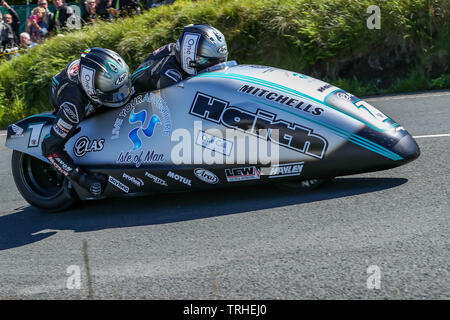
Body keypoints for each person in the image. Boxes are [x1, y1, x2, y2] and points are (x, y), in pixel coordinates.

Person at [42, 48, 134, 196]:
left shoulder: (105, 73)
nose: (123, 95)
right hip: (70, 97)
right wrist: (84, 179)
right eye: (115, 94)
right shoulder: (73, 107)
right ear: (93, 93)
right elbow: (49, 147)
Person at [131, 24, 228, 94]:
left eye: (221, 60)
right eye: (206, 61)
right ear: (190, 58)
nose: (216, 67)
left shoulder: (181, 52)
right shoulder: (169, 76)